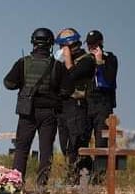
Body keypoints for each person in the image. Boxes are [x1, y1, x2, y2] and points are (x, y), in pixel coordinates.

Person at [4, 27, 63, 190]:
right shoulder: (56, 65)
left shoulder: (23, 63)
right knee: (45, 150)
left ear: (33, 43)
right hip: (49, 113)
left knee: (22, 149)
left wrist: (24, 85)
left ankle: (16, 185)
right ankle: (41, 186)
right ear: (50, 44)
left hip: (27, 112)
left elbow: (8, 83)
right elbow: (65, 89)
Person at [56, 28, 96, 182]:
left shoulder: (87, 60)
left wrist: (67, 60)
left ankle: (82, 177)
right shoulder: (61, 63)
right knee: (65, 146)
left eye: (62, 47)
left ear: (69, 46)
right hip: (62, 108)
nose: (60, 50)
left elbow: (72, 77)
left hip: (78, 107)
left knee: (77, 145)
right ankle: (72, 175)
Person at [85, 30, 118, 154]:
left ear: (100, 43)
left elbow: (109, 80)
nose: (91, 47)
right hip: (87, 103)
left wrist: (99, 62)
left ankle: (100, 172)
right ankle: (84, 171)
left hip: (103, 104)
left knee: (101, 143)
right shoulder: (85, 59)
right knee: (83, 139)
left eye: (93, 44)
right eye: (89, 44)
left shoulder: (110, 58)